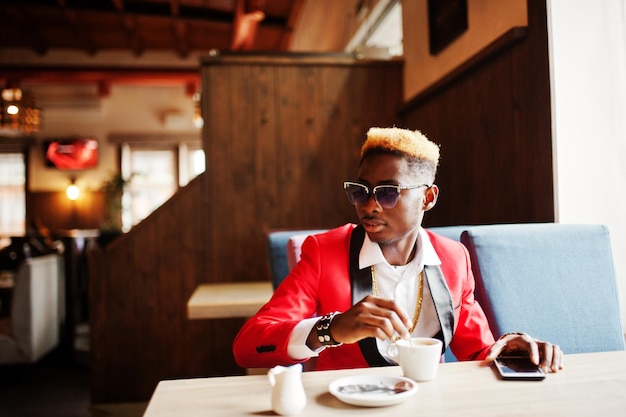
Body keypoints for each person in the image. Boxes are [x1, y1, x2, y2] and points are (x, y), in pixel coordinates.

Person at [233, 127, 563, 373]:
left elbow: (477, 351)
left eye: (388, 193)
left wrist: (512, 350)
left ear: (428, 198)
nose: (370, 206)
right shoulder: (324, 252)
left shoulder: (453, 259)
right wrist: (330, 330)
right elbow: (249, 344)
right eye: (361, 192)